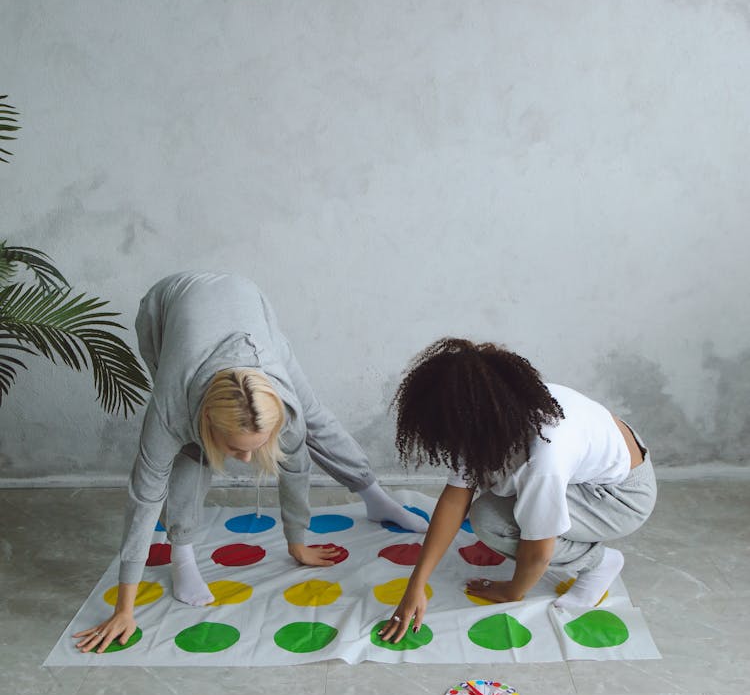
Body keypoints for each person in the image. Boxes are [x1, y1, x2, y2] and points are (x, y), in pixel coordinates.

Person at [74, 271, 428, 654]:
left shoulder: (283, 407)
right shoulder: (172, 408)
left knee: (314, 418)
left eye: (255, 446)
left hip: (247, 306)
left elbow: (296, 466)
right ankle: (182, 552)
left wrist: (297, 542)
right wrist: (124, 608)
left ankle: (374, 497)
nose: (246, 459)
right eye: (236, 448)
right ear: (209, 421)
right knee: (193, 454)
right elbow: (144, 495)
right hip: (169, 307)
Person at [378, 337, 657, 644]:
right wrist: (415, 584)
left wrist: (512, 591)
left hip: (621, 498)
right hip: (594, 470)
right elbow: (455, 500)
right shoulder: (489, 411)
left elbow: (538, 551)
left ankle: (598, 563)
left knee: (492, 521)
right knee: (499, 502)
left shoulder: (546, 454)